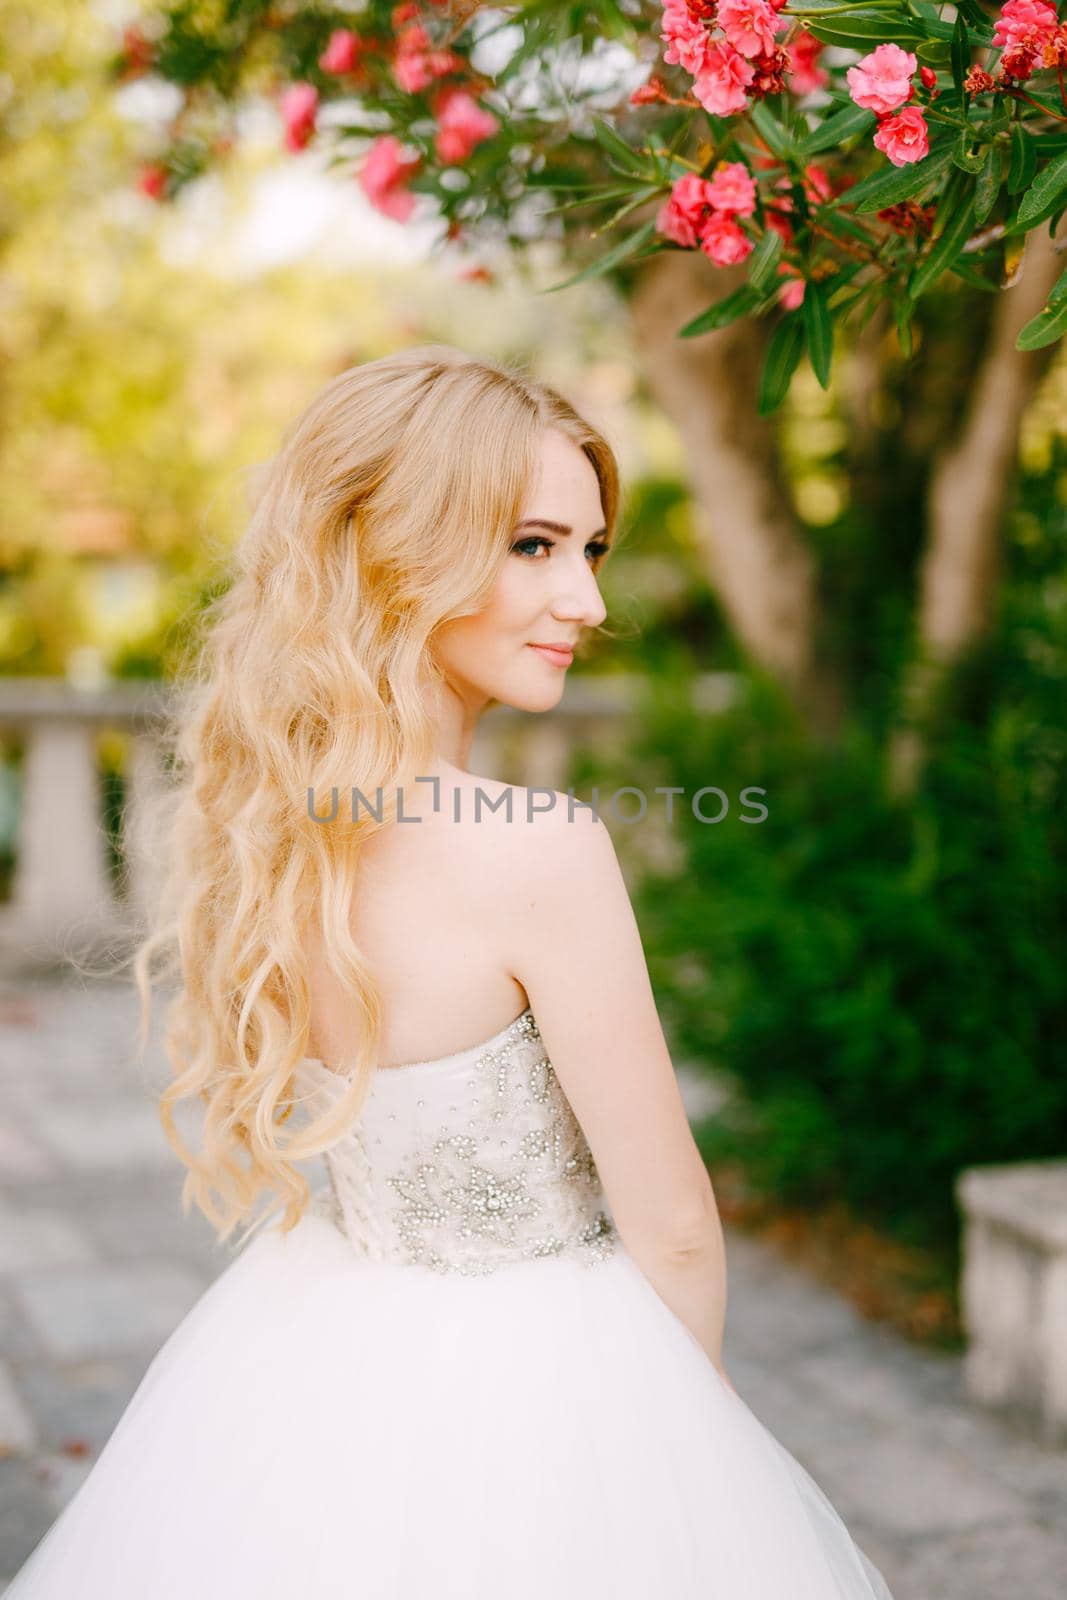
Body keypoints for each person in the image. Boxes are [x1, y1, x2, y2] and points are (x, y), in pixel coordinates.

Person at [5, 345, 894, 1597]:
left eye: (587, 550)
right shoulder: (539, 852)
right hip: (545, 1376)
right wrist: (689, 1462)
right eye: (532, 546)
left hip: (317, 1357)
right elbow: (677, 1225)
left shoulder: (273, 828)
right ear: (393, 553)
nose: (584, 600)